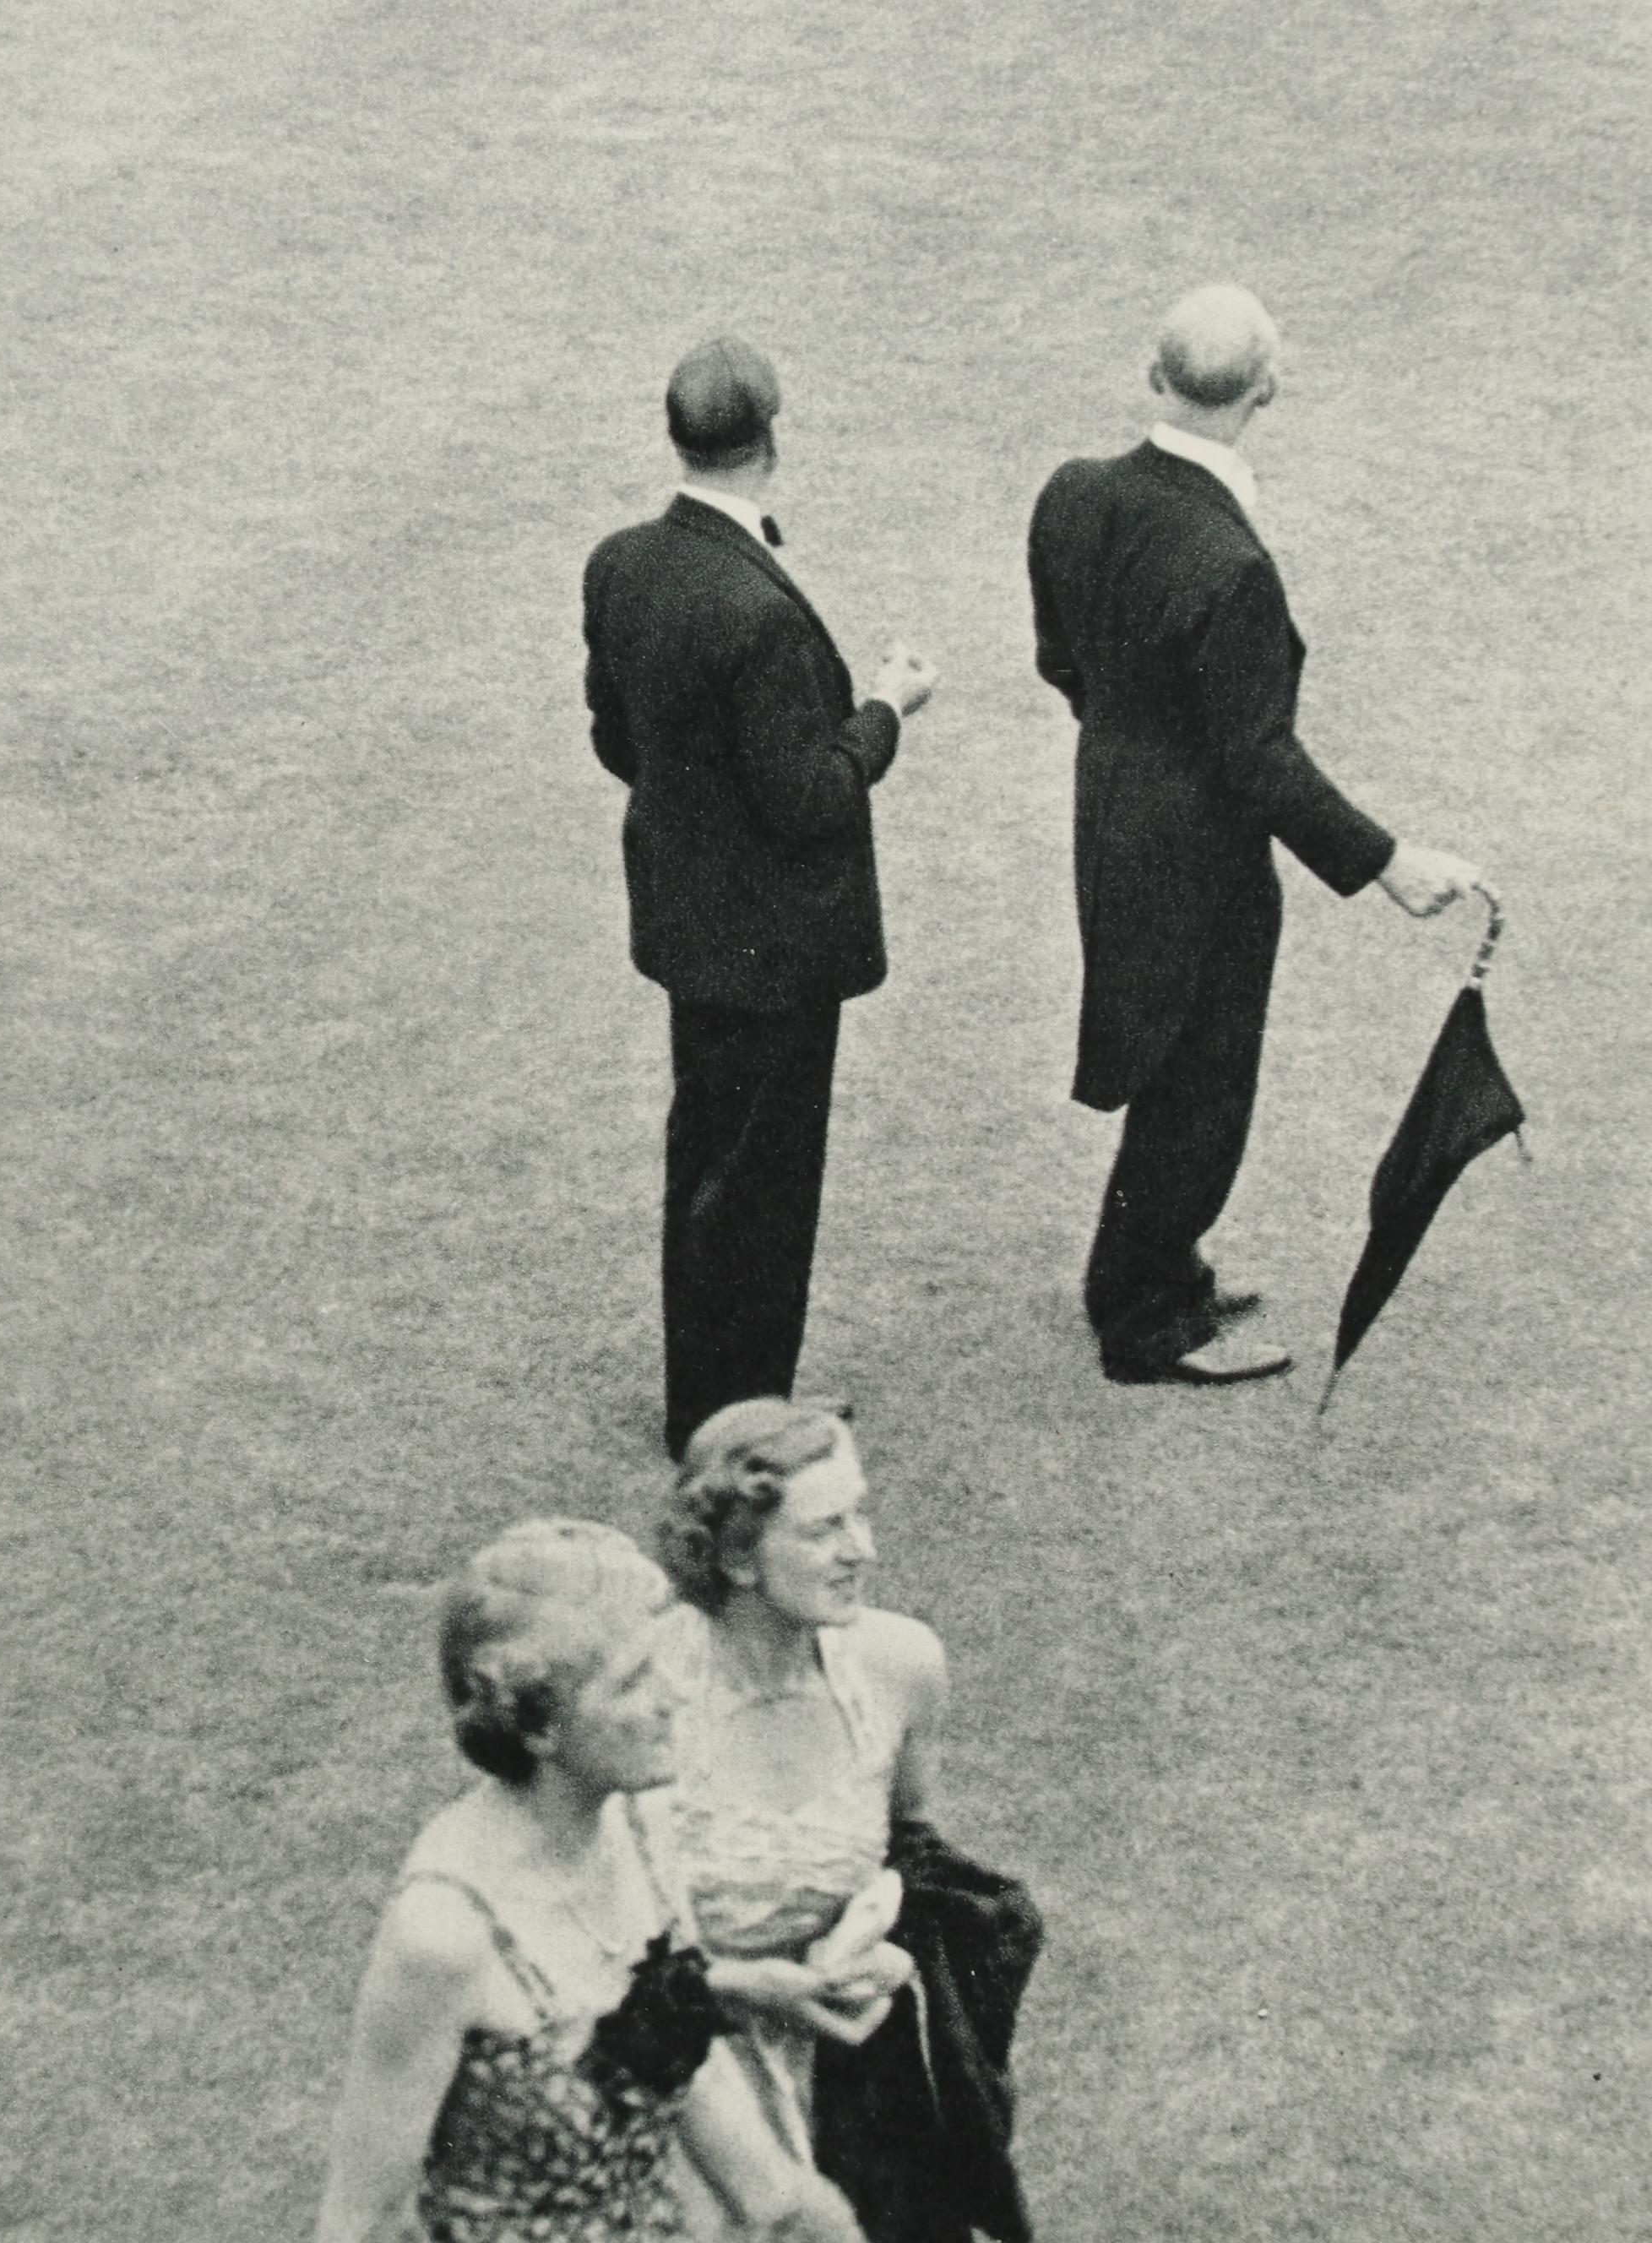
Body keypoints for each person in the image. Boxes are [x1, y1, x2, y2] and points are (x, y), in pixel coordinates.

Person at [1027, 284, 1485, 1385]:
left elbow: (1062, 657)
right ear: (1268, 388)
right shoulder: (1231, 569)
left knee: (1174, 1067)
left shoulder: (1074, 494)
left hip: (1112, 814)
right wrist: (1386, 862)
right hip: (1199, 856)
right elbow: (1258, 760)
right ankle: (1143, 1321)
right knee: (1200, 1086)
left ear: (1155, 374)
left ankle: (1155, 1272)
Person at [316, 1516, 867, 2243]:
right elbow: (361, 2225)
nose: (676, 1694)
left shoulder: (646, 1825)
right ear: (537, 1726)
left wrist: (791, 2207)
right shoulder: (444, 1935)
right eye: (635, 1680)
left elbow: (675, 2049)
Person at [584, 338, 938, 1458]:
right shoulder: (758, 613)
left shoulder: (622, 563)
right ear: (771, 438)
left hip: (687, 920)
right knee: (764, 1189)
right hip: (775, 946)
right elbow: (810, 795)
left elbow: (616, 737)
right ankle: (740, 1420)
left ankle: (714, 1403)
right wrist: (887, 707)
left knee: (710, 1164)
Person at [648, 1400, 952, 2238]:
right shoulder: (641, 1699)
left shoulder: (901, 1666)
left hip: (849, 2085)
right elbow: (576, 1941)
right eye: (825, 1528)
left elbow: (911, 1848)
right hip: (671, 2088)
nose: (865, 1548)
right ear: (739, 1556)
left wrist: (875, 1933)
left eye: (861, 1511)